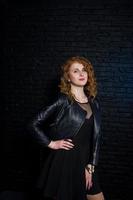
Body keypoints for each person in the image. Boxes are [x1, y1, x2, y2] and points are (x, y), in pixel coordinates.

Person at [30, 56, 105, 200]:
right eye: (76, 71)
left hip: (85, 161)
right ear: (68, 78)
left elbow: (96, 137)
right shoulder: (63, 100)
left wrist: (91, 164)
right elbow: (33, 124)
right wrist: (51, 143)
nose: (82, 74)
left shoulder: (95, 103)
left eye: (84, 70)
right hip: (64, 160)